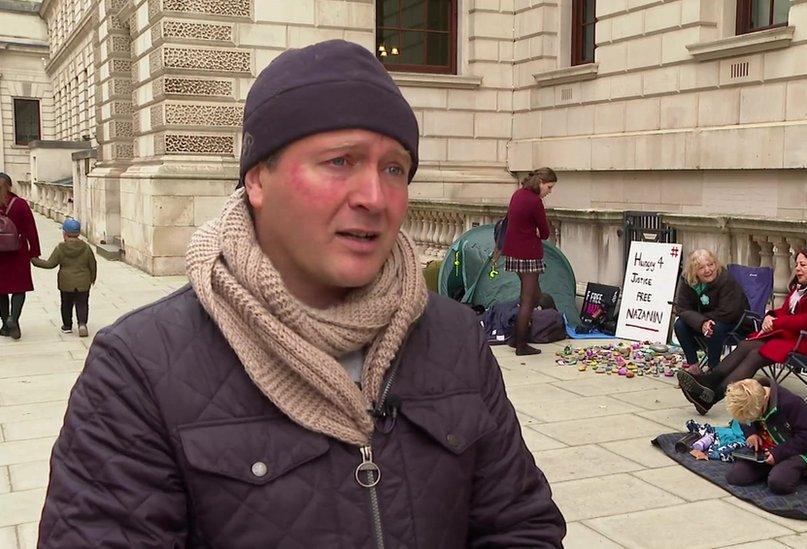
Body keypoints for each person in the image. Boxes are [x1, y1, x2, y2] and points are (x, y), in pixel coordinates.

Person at [39, 40, 565, 547]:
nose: (375, 198)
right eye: (340, 161)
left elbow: (520, 524)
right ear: (257, 181)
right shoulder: (138, 370)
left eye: (394, 168)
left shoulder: (454, 337)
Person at [677, 248, 807, 414]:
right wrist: (770, 316)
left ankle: (712, 397)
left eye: (803, 264)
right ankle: (708, 382)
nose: (797, 268)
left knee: (756, 354)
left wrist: (777, 322)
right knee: (745, 344)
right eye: (796, 264)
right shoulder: (802, 288)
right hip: (795, 336)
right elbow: (786, 311)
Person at [724, 377, 807, 494]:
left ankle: (792, 472)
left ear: (765, 399)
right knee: (735, 476)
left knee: (779, 484)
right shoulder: (753, 401)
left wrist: (779, 454)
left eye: (753, 417)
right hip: (767, 451)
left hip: (799, 452)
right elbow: (744, 419)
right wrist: (750, 434)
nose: (749, 420)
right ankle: (775, 469)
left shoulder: (792, 403)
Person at [500, 167, 557, 356]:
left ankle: (517, 337)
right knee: (528, 299)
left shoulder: (517, 195)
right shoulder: (535, 202)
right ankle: (521, 344)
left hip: (513, 252)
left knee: (533, 295)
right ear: (541, 182)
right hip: (528, 254)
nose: (550, 191)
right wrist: (537, 232)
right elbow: (546, 232)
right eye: (549, 187)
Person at [672, 249, 749, 374]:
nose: (708, 270)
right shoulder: (687, 280)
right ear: (694, 271)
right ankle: (694, 366)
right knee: (679, 325)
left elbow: (729, 311)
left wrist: (706, 322)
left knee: (714, 327)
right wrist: (701, 322)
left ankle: (713, 368)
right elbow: (681, 308)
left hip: (732, 321)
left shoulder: (725, 279)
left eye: (711, 264)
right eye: (701, 267)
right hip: (703, 321)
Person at [31, 218, 97, 337]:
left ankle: (67, 326)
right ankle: (82, 324)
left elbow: (50, 264)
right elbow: (93, 264)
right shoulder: (86, 248)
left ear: (65, 233)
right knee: (82, 303)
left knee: (66, 303)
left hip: (66, 283)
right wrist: (92, 278)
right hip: (83, 282)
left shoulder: (60, 248)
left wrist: (35, 261)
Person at [0, 171, 41, 341]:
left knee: (1, 291)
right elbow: (31, 230)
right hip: (18, 252)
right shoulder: (20, 204)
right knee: (19, 288)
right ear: (10, 186)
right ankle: (13, 319)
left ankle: (5, 325)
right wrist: (34, 252)